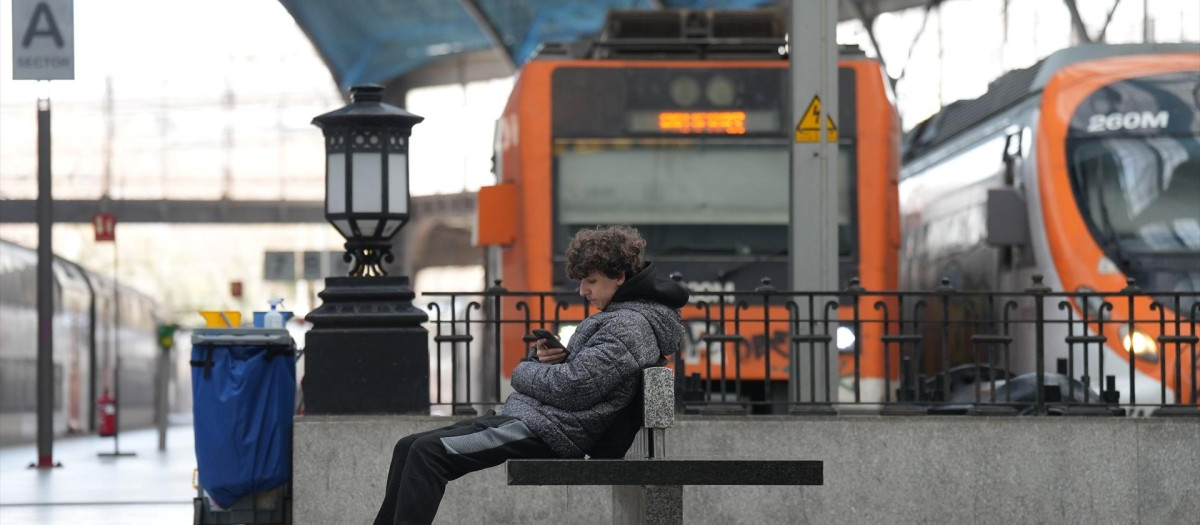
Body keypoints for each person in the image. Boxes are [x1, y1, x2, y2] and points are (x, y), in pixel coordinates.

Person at [372, 225, 689, 525]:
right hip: (540, 420)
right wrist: (546, 359)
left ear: (619, 276)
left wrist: (524, 370)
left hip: (552, 432)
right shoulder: (624, 320)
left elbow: (575, 387)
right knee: (407, 446)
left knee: (428, 454)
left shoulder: (628, 326)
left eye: (590, 280)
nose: (582, 290)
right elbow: (584, 378)